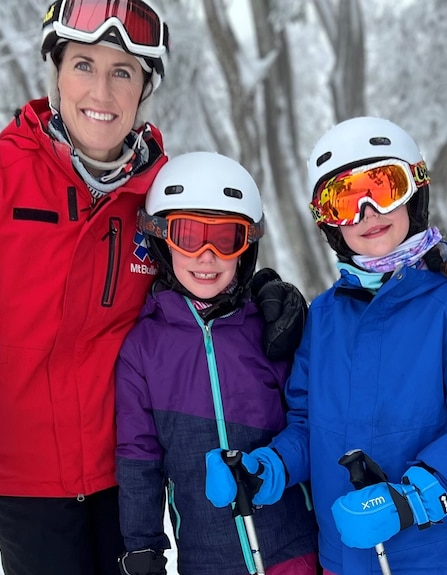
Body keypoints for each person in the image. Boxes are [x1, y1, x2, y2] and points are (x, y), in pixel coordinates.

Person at [0, 2, 303, 574]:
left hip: (125, 475)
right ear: (56, 74)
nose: (101, 92)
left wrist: (263, 299)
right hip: (22, 478)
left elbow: (204, 285)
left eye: (122, 72)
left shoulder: (161, 196)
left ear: (143, 89)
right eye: (84, 65)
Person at [205, 116, 447, 575]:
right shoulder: (325, 316)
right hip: (343, 560)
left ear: (416, 192)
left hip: (435, 558)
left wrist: (414, 497)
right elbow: (308, 426)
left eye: (384, 187)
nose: (368, 212)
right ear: (329, 224)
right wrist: (267, 469)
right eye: (345, 201)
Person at [114, 151, 318, 575]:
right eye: (188, 236)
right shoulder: (143, 349)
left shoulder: (271, 329)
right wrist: (142, 547)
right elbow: (139, 458)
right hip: (207, 559)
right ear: (160, 239)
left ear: (245, 249)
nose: (206, 256)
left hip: (293, 551)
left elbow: (309, 425)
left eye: (225, 239)